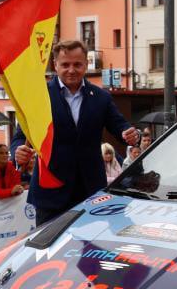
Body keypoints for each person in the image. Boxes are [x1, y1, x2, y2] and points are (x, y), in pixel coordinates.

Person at [13, 40, 138, 224]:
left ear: (86, 65)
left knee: (90, 251)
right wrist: (17, 152)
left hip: (90, 193)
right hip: (51, 193)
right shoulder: (39, 97)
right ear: (55, 65)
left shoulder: (101, 97)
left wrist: (130, 134)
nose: (71, 70)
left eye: (77, 64)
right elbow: (19, 138)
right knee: (51, 251)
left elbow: (121, 126)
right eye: (65, 65)